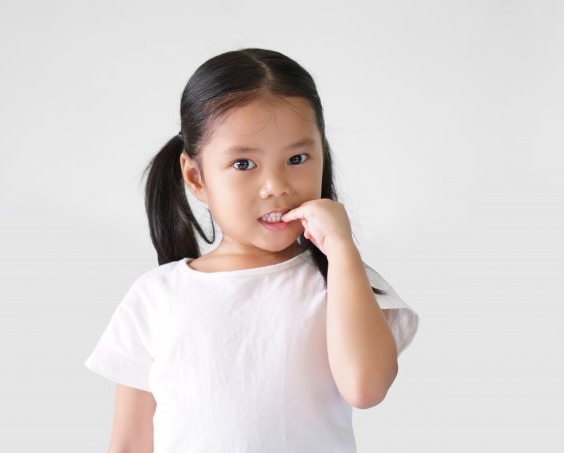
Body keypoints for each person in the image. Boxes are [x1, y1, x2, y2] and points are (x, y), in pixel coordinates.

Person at [83, 48, 419, 452]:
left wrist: (343, 251)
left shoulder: (341, 281)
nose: (276, 185)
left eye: (297, 158)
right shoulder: (156, 296)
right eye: (244, 164)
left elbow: (365, 387)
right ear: (196, 176)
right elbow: (132, 442)